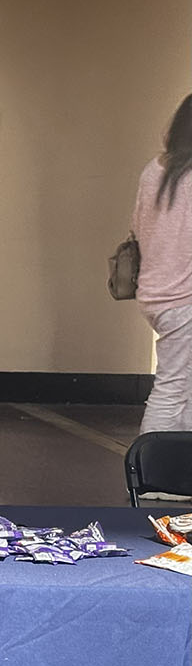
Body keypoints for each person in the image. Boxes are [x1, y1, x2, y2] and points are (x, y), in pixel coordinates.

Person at [134, 93, 192, 435]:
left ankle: (178, 462)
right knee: (171, 389)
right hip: (184, 298)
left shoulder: (154, 170)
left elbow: (138, 225)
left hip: (156, 293)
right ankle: (151, 463)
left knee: (184, 387)